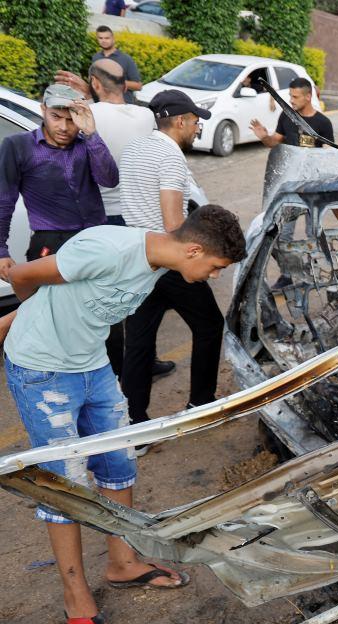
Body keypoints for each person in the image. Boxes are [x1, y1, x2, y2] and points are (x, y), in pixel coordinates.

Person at [0, 206, 245, 624]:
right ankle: (75, 594)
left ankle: (122, 562)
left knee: (119, 464)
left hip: (94, 366)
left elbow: (78, 300)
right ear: (193, 249)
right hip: (43, 371)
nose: (213, 276)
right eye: (215, 267)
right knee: (64, 485)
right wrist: (28, 318)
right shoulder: (106, 248)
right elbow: (23, 274)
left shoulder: (158, 264)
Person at [55, 59, 175, 380]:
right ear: (125, 84)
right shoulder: (145, 115)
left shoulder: (87, 116)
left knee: (108, 300)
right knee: (138, 297)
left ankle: (117, 368)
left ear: (94, 83)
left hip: (102, 218)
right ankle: (144, 363)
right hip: (140, 218)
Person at [119, 90, 225, 440]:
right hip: (170, 262)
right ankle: (201, 405)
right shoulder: (170, 156)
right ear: (180, 121)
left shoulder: (134, 148)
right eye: (195, 122)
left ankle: (134, 425)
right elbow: (171, 222)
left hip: (138, 258)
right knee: (210, 325)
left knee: (138, 342)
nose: (196, 129)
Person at [0, 84, 115, 278]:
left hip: (95, 238)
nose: (63, 127)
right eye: (56, 117)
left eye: (71, 120)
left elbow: (110, 180)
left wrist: (91, 134)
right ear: (43, 109)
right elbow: (4, 200)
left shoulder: (86, 143)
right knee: (48, 304)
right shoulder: (18, 146)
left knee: (94, 304)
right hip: (50, 242)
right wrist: (1, 251)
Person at [250, 77, 334, 148]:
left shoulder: (324, 122)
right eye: (290, 96)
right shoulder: (286, 115)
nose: (291, 100)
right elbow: (274, 142)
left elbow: (328, 155)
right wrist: (265, 137)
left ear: (308, 97)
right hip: (289, 166)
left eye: (295, 97)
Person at [93, 26, 142, 103]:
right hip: (100, 103)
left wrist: (117, 82)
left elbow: (138, 86)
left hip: (122, 105)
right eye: (100, 38)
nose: (103, 41)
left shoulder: (126, 59)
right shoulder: (96, 57)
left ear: (113, 39)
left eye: (107, 38)